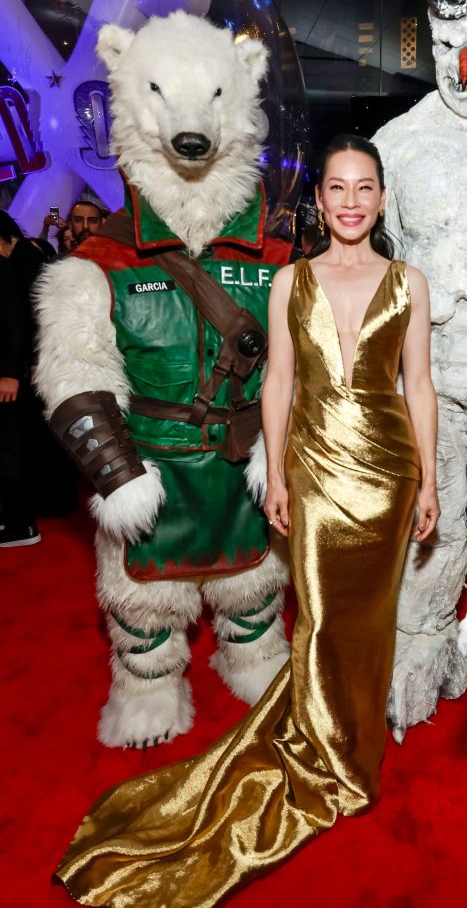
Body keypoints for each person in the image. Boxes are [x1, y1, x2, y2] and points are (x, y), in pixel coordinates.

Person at [54, 135, 439, 907]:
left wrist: (428, 481)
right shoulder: (289, 279)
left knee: (372, 619)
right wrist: (276, 473)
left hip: (390, 473)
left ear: (382, 198)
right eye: (338, 187)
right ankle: (325, 749)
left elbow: (419, 386)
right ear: (320, 200)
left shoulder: (410, 283)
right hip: (317, 473)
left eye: (366, 188)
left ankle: (357, 741)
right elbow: (276, 385)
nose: (352, 201)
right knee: (322, 618)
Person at [0, 210, 46, 547]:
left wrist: (8, 374)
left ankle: (21, 524)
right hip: (16, 371)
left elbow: (15, 323)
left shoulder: (7, 267)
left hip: (10, 375)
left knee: (7, 446)